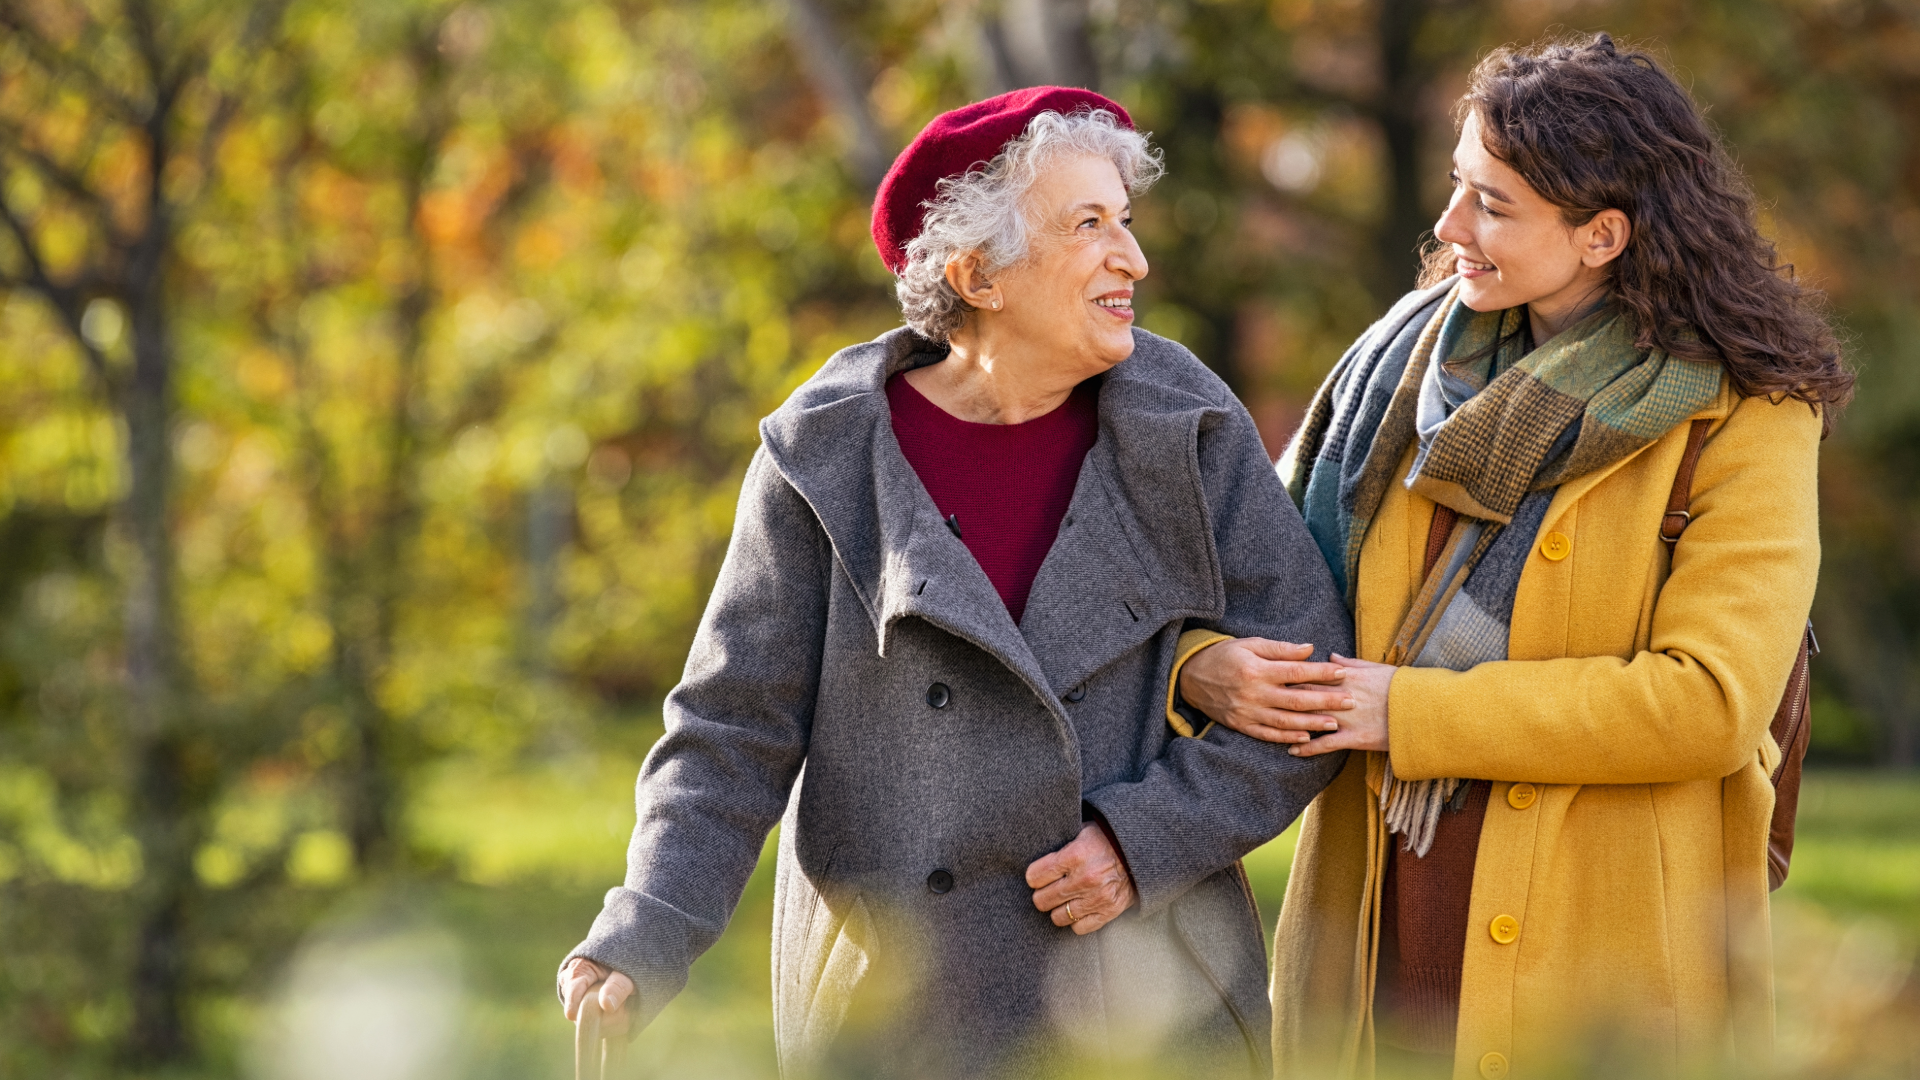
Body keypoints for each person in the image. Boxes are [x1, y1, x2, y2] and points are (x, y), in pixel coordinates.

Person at [554, 87, 1354, 1079]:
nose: (1134, 259)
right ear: (978, 273)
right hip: (903, 1013)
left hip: (1151, 999)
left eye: (1127, 221)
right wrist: (645, 929)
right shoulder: (826, 457)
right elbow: (730, 731)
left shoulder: (1185, 424)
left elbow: (1314, 682)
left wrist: (1144, 838)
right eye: (1089, 225)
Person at [1172, 34, 1853, 1080]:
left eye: (1492, 205)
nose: (1448, 230)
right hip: (1373, 936)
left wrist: (1410, 713)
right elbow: (1244, 582)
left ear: (1602, 235)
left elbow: (1709, 703)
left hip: (1603, 959)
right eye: (1457, 188)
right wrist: (1200, 664)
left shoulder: (1746, 417)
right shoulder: (1395, 379)